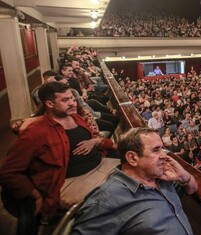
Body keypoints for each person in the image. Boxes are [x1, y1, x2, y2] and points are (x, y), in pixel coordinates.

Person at [0, 82, 119, 225]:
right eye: (65, 100)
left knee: (139, 173)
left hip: (100, 164)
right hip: (71, 182)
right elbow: (9, 172)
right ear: (49, 104)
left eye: (73, 99)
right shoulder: (35, 132)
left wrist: (110, 144)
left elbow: (94, 138)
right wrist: (36, 196)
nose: (72, 103)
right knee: (119, 200)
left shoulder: (76, 118)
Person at [71, 127, 197, 234]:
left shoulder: (161, 177)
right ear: (132, 158)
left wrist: (184, 176)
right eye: (156, 150)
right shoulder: (106, 199)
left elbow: (192, 189)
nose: (164, 156)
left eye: (162, 149)